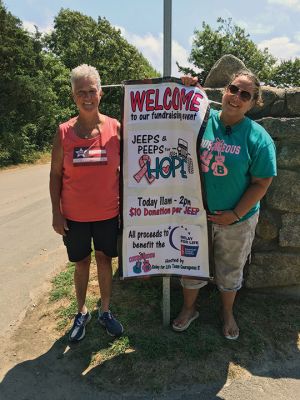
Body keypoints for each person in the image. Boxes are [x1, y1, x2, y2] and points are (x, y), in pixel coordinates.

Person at [173, 70, 277, 340]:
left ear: (253, 103)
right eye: (234, 89)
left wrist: (235, 214)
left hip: (237, 221)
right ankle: (189, 308)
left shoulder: (258, 137)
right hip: (195, 215)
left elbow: (261, 183)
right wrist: (187, 88)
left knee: (230, 269)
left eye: (246, 95)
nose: (237, 97)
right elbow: (174, 116)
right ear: (224, 90)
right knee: (190, 263)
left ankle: (228, 312)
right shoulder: (200, 121)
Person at [50, 64, 123, 342]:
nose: (87, 96)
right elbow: (55, 174)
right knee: (81, 263)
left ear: (101, 93)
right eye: (81, 92)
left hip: (107, 213)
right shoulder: (63, 132)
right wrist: (56, 213)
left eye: (92, 90)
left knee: (104, 260)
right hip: (75, 216)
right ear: (73, 96)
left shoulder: (116, 128)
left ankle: (105, 310)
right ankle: (81, 312)